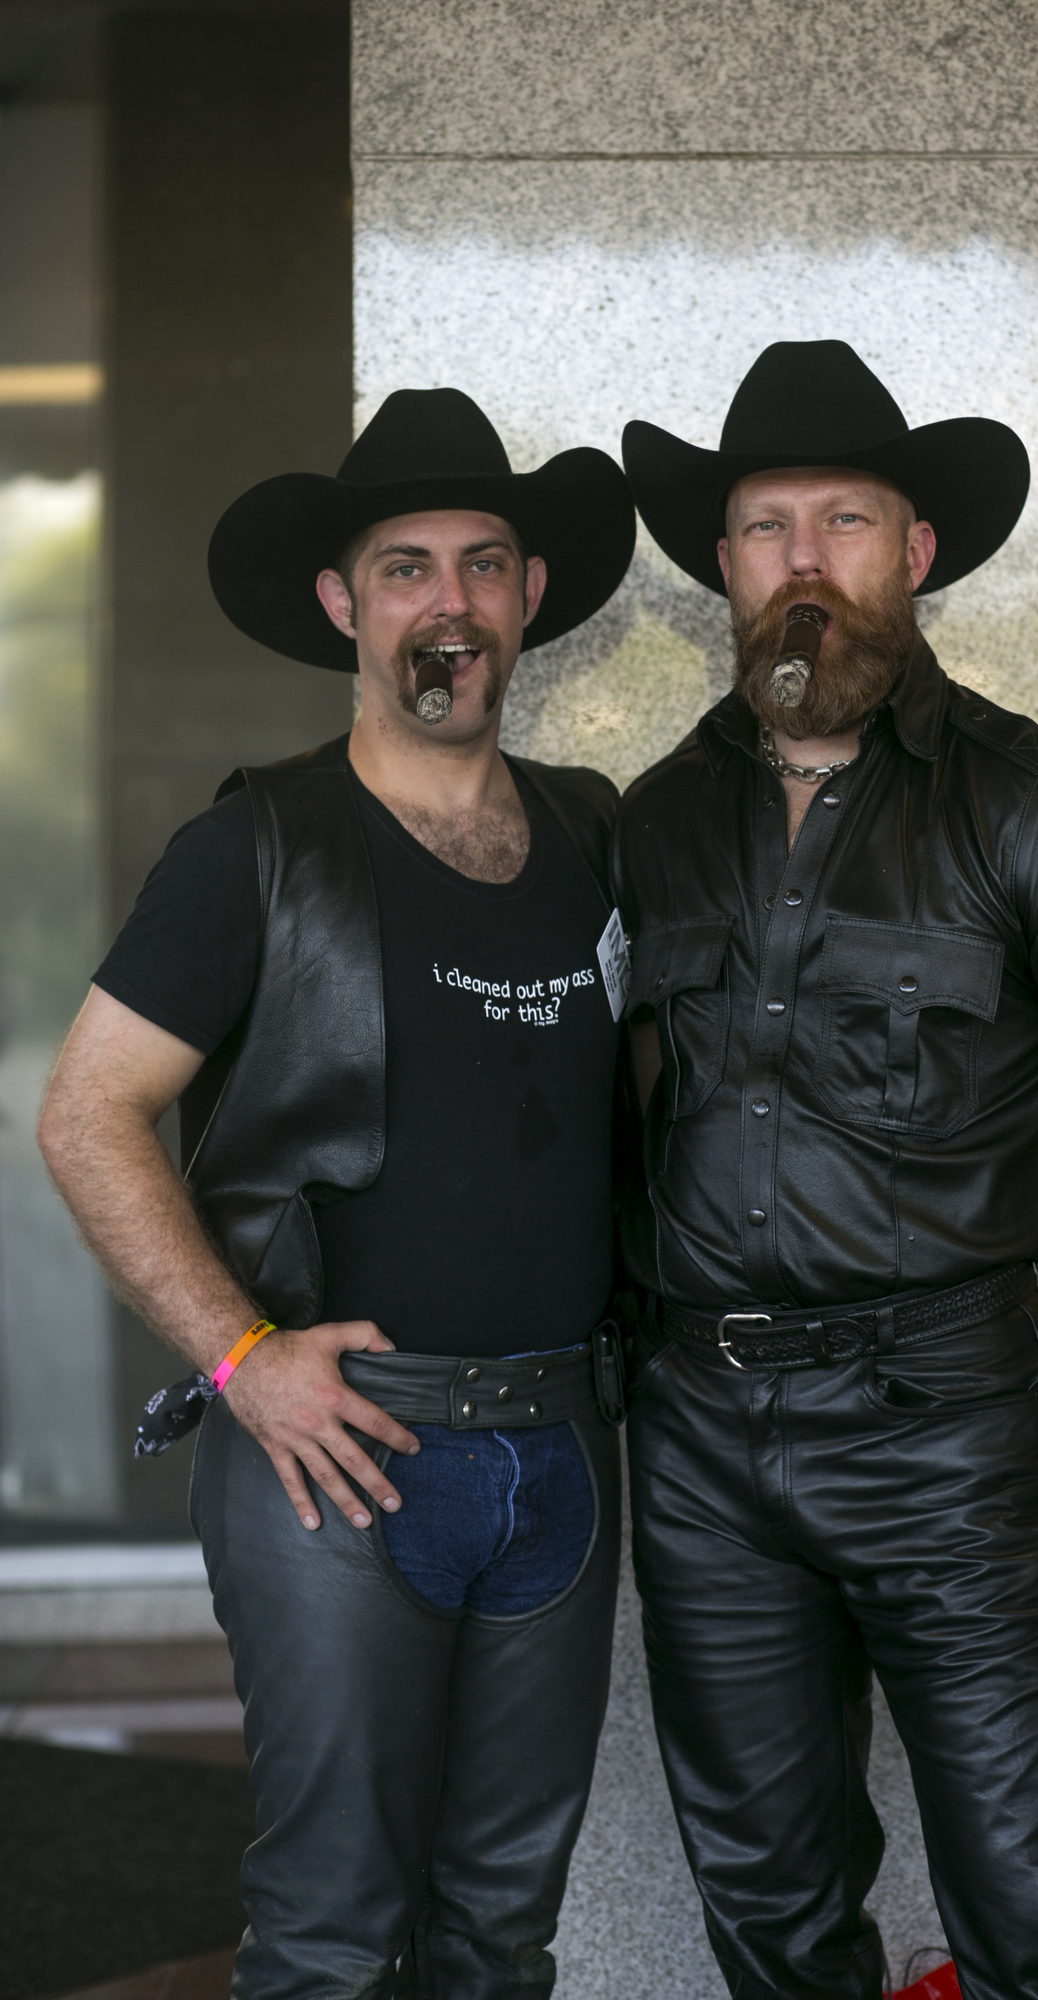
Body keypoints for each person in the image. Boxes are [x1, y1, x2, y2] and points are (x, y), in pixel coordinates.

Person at [612, 339, 1038, 2000]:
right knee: (773, 1915)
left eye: (844, 520)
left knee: (1034, 1917)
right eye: (762, 526)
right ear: (721, 564)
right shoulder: (653, 821)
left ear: (915, 553)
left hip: (943, 1433)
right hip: (698, 1445)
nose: (801, 561)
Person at [38, 387, 638, 2000]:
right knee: (327, 1933)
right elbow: (89, 1114)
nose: (447, 601)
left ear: (524, 598)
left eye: (482, 562)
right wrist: (240, 1358)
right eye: (404, 567)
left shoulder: (592, 835)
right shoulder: (255, 848)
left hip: (566, 1457)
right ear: (342, 605)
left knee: (501, 1936)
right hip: (344, 1462)